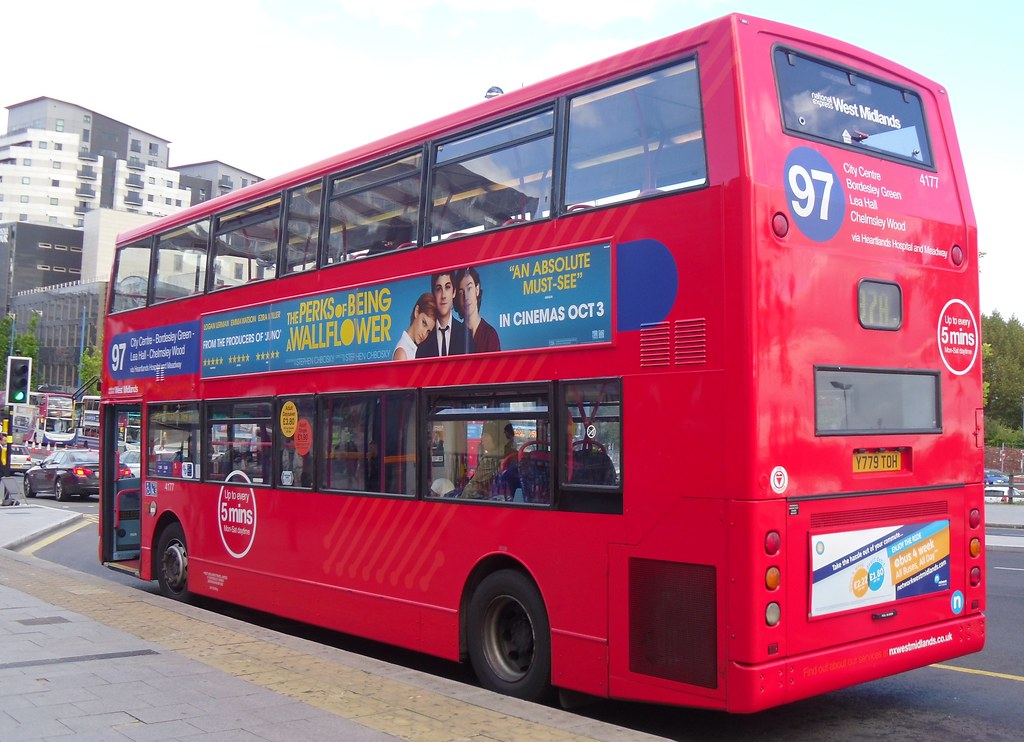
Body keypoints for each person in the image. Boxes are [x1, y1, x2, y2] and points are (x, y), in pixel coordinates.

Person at [416, 271, 472, 358]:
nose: (443, 296)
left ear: (454, 292)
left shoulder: (466, 335)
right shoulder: (423, 342)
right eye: (438, 289)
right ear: (433, 294)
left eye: (447, 287)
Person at [455, 266, 500, 353]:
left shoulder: (490, 334)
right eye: (461, 293)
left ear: (477, 289)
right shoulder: (454, 335)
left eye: (469, 288)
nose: (466, 297)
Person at [459, 420, 504, 499]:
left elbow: (473, 486)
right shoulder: (506, 453)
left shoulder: (490, 459)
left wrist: (460, 501)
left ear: (495, 438)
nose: (482, 439)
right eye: (482, 435)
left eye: (486, 435)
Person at [393, 292, 438, 360]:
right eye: (424, 323)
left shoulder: (412, 350)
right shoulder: (402, 353)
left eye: (428, 331)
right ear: (417, 311)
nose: (424, 334)